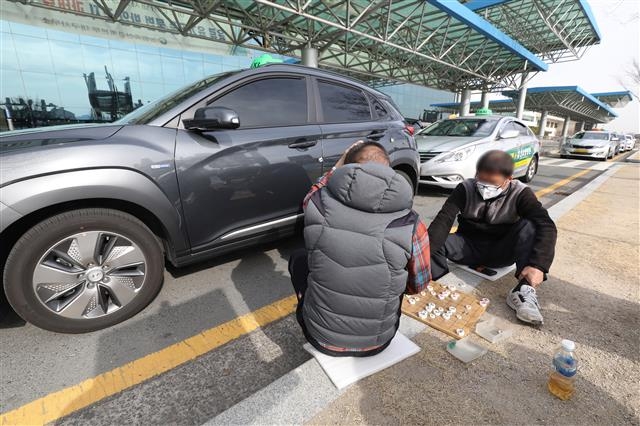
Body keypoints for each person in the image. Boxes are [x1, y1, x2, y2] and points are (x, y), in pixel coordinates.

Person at [288, 141, 431, 357]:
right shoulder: (411, 224)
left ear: (349, 168)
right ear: (388, 170)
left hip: (319, 336)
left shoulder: (319, 204)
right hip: (378, 342)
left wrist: (338, 166)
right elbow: (418, 285)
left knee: (299, 258)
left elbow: (313, 191)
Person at [428, 150, 557, 325]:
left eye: (492, 183)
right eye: (481, 180)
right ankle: (438, 285)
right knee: (431, 241)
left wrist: (538, 265)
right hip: (468, 245)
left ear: (509, 179)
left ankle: (523, 291)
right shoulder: (465, 188)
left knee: (531, 225)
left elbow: (546, 225)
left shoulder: (521, 193)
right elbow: (443, 220)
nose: (485, 186)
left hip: (502, 250)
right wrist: (422, 253)